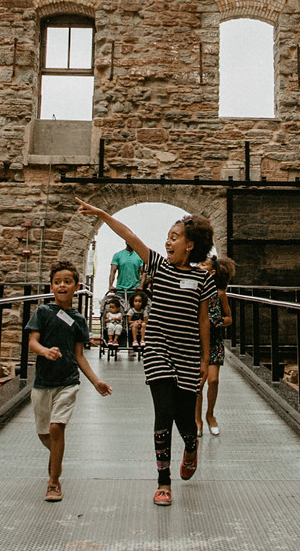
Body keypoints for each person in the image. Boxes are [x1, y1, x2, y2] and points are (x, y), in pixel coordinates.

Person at [77, 199, 214, 507]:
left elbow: (204, 320)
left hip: (189, 352)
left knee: (185, 421)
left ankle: (190, 447)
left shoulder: (203, 279)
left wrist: (205, 359)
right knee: (163, 413)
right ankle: (163, 482)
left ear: (190, 245)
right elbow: (131, 235)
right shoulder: (158, 266)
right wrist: (101, 215)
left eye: (175, 236)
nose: (168, 240)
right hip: (157, 349)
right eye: (168, 235)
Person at [25, 261, 112, 503]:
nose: (62, 285)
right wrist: (44, 351)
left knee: (56, 427)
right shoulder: (42, 312)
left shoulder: (78, 319)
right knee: (44, 434)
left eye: (67, 281)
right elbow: (32, 342)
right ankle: (57, 459)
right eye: (57, 282)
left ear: (77, 286)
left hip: (68, 381)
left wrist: (95, 381)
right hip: (43, 381)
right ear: (51, 286)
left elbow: (79, 355)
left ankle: (54, 482)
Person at [198, 256, 236, 436]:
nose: (198, 265)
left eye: (203, 264)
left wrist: (219, 322)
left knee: (213, 380)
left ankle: (210, 415)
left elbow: (229, 318)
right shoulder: (195, 291)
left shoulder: (220, 294)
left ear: (212, 272)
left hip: (214, 341)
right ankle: (196, 419)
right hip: (197, 342)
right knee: (198, 383)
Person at [109, 240, 144, 317]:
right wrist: (111, 285)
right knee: (119, 311)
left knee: (134, 313)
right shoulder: (118, 255)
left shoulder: (140, 256)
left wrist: (141, 285)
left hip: (134, 289)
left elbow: (144, 272)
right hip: (120, 289)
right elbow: (113, 271)